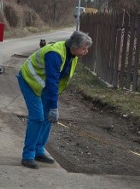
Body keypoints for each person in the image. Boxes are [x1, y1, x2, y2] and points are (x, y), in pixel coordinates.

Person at [17, 31, 93, 169]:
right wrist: (54, 107)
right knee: (38, 118)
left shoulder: (72, 55)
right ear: (75, 47)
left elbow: (60, 80)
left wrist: (53, 104)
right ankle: (27, 155)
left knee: (47, 118)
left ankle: (39, 151)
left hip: (44, 85)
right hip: (29, 80)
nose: (86, 51)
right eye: (84, 48)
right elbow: (52, 81)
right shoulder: (55, 54)